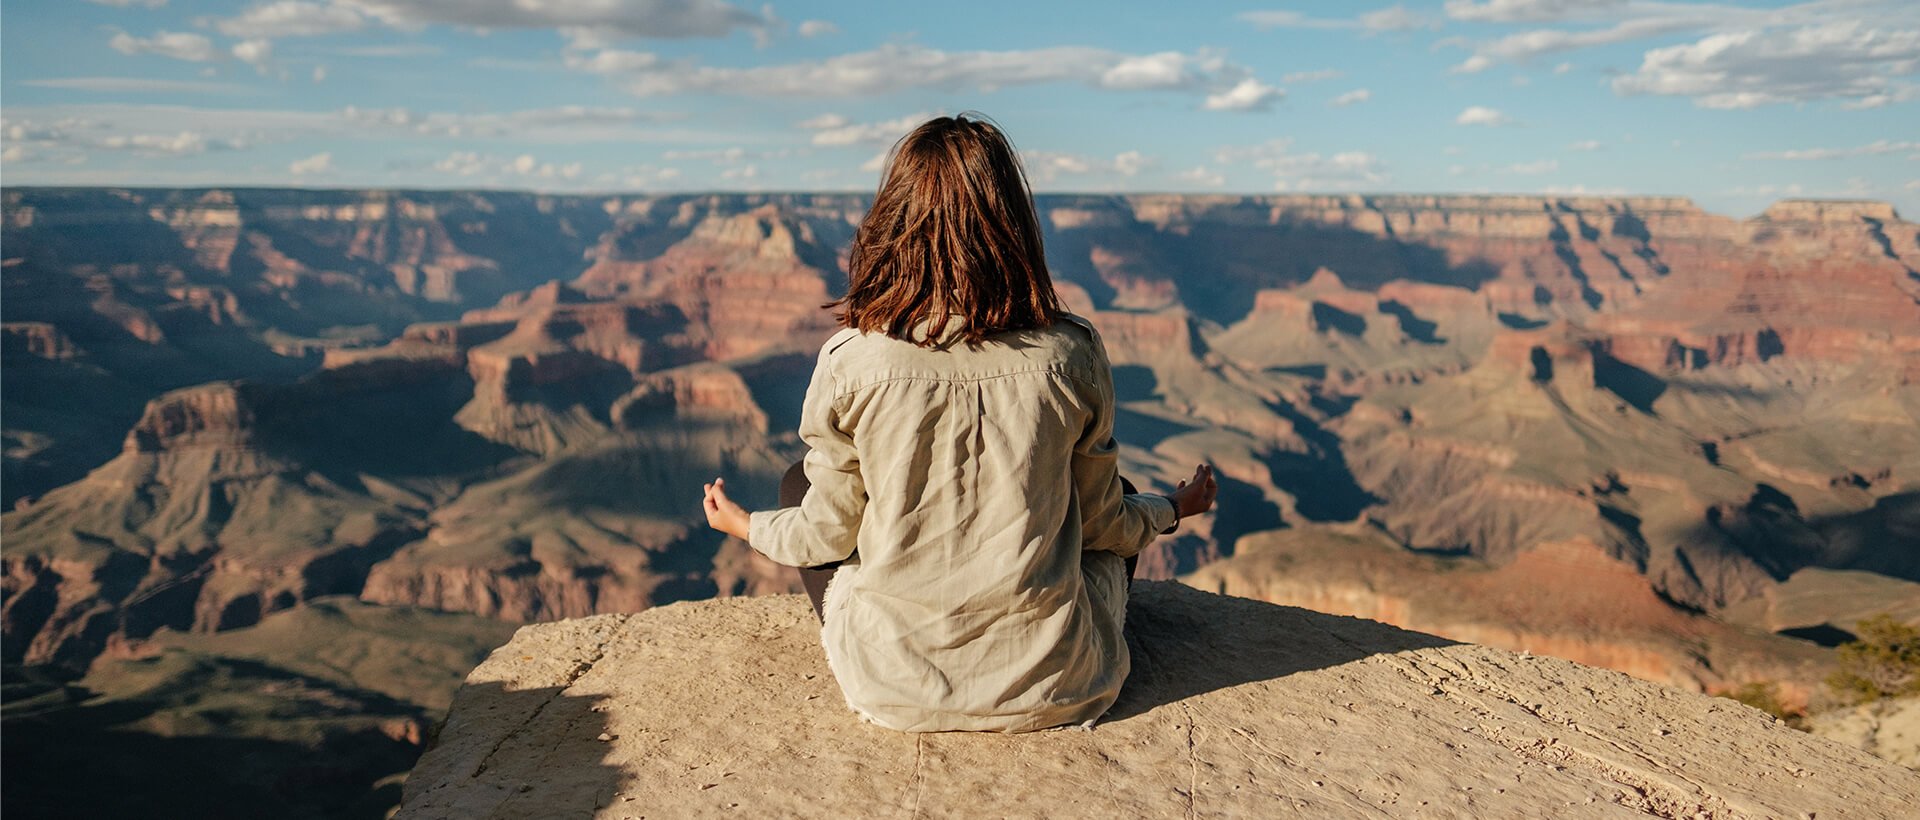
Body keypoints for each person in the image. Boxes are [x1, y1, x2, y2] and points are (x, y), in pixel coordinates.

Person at [700, 113, 1218, 733]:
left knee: (796, 487)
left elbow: (827, 537)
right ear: (1014, 224)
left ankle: (906, 657)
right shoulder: (1070, 352)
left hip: (892, 691)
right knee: (1123, 494)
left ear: (892, 224)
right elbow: (1106, 524)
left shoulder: (851, 359)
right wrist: (1172, 508)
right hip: (1060, 687)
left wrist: (744, 526)